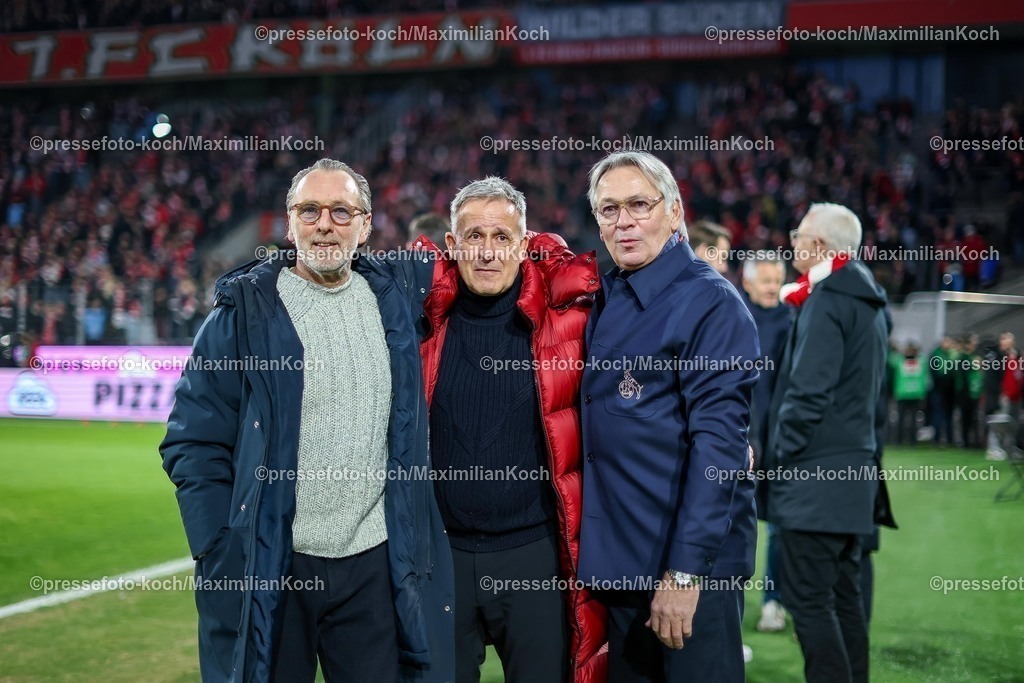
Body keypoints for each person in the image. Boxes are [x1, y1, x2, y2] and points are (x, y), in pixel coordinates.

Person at [160, 159, 454, 683]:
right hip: (276, 561)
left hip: (372, 564)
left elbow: (490, 245)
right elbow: (192, 439)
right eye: (310, 210)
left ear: (365, 226)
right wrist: (218, 546)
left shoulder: (395, 298)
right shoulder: (242, 313)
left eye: (342, 211)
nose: (325, 224)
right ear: (289, 222)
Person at [414, 177, 607, 683]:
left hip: (533, 557)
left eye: (502, 237)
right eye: (473, 237)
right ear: (452, 246)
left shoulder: (569, 321)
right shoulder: (417, 323)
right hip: (443, 558)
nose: (487, 251)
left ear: (524, 245)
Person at [579, 151, 760, 682]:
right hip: (623, 565)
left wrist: (684, 573)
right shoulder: (606, 292)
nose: (624, 221)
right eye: (608, 209)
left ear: (675, 210)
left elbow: (720, 449)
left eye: (639, 204)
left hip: (686, 573)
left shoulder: (711, 302)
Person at [767, 202, 888, 683]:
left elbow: (807, 394)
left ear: (818, 246)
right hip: (854, 477)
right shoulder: (867, 298)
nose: (792, 238)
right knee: (844, 600)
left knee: (811, 605)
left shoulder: (827, 300)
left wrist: (781, 456)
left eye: (799, 233)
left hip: (815, 481)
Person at [738, 256, 792, 634]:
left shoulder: (794, 321)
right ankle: (730, 608)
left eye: (778, 279)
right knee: (737, 529)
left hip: (781, 443)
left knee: (778, 528)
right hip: (740, 443)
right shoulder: (732, 314)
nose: (773, 286)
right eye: (767, 280)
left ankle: (773, 601)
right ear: (749, 282)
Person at [891, 341, 929, 445]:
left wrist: (897, 350)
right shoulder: (921, 362)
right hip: (916, 393)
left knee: (901, 419)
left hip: (902, 393)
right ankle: (912, 441)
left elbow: (892, 360)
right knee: (913, 419)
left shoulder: (899, 361)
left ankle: (899, 440)